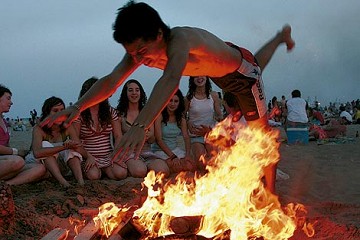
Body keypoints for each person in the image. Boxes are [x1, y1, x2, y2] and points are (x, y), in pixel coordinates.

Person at [41, 1, 295, 192]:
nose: (138, 59)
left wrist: (142, 124)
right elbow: (111, 80)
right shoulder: (141, 52)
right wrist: (78, 105)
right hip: (216, 70)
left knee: (261, 135)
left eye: (141, 51)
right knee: (257, 63)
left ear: (159, 35)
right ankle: (279, 37)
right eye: (133, 53)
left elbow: (171, 80)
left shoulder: (179, 40)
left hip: (243, 74)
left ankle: (270, 197)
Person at [73, 77, 128, 180]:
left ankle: (105, 171)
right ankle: (96, 171)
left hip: (108, 155)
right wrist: (88, 156)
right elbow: (75, 139)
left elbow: (118, 135)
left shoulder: (110, 111)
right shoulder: (79, 114)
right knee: (93, 176)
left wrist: (115, 154)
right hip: (88, 156)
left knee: (121, 173)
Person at [26, 97, 88, 187]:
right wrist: (64, 146)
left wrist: (89, 156)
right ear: (47, 113)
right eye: (55, 111)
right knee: (45, 145)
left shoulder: (67, 126)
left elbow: (78, 146)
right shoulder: (39, 129)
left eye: (62, 110)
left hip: (59, 165)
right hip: (40, 165)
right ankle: (63, 183)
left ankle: (80, 181)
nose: (60, 114)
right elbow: (37, 153)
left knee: (72, 148)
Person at [116, 79, 170, 177]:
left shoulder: (147, 113)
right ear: (125, 93)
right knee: (139, 171)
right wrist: (135, 134)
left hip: (146, 151)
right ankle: (136, 168)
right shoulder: (120, 115)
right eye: (130, 90)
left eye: (137, 90)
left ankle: (147, 169)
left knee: (164, 170)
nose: (134, 93)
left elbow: (153, 139)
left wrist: (149, 135)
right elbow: (118, 138)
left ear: (141, 93)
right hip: (129, 153)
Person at [0, 85, 46, 185]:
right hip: (7, 161)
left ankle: (7, 184)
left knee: (39, 168)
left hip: (5, 161)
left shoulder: (3, 121)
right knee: (17, 162)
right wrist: (16, 152)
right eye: (8, 98)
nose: (11, 102)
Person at [184, 76, 222, 171]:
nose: (199, 78)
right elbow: (183, 116)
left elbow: (219, 114)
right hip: (195, 135)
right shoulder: (188, 98)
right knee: (202, 163)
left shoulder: (214, 95)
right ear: (192, 80)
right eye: (196, 76)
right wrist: (188, 123)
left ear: (206, 78)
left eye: (202, 75)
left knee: (217, 161)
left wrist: (219, 117)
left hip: (210, 134)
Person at [152, 89, 194, 173]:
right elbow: (159, 139)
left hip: (175, 149)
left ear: (179, 103)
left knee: (190, 166)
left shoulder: (181, 118)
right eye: (170, 100)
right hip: (161, 151)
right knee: (176, 167)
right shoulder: (159, 116)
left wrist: (188, 155)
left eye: (176, 101)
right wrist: (173, 156)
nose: (173, 104)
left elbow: (186, 137)